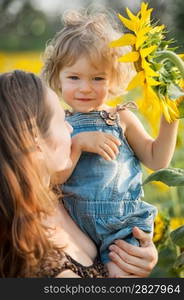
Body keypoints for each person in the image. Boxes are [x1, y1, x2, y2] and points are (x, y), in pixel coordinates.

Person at [42, 9, 179, 277]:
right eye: (74, 77)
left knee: (118, 276)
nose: (85, 88)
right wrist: (77, 144)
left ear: (114, 78)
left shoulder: (121, 117)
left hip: (120, 224)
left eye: (98, 78)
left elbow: (157, 159)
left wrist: (170, 118)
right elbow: (53, 179)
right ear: (57, 78)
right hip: (73, 225)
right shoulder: (59, 124)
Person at [0, 70, 158, 278]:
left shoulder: (57, 192)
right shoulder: (43, 265)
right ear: (35, 141)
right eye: (61, 120)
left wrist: (138, 256)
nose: (69, 128)